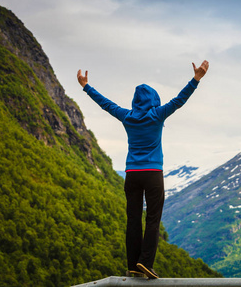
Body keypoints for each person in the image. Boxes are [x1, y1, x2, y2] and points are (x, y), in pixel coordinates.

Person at [77, 60, 209, 279]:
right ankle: (145, 263)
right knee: (153, 220)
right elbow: (179, 100)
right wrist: (196, 79)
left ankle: (132, 265)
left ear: (135, 101)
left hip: (132, 176)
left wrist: (86, 86)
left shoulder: (127, 116)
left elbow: (106, 104)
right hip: (153, 174)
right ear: (153, 100)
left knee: (133, 220)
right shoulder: (157, 115)